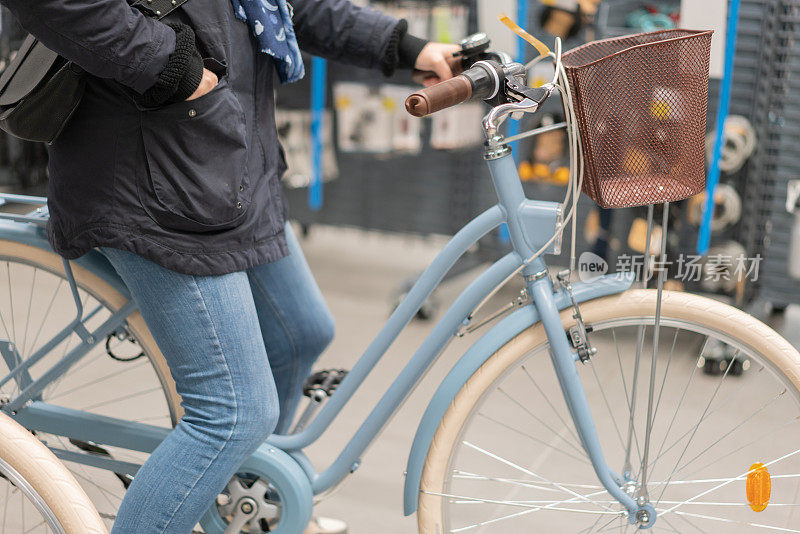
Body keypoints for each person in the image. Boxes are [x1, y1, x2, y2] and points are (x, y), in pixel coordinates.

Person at [0, 0, 461, 532]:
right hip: (153, 177)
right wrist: (170, 65)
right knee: (232, 412)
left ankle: (237, 506)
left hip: (225, 160)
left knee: (298, 334)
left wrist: (404, 45)